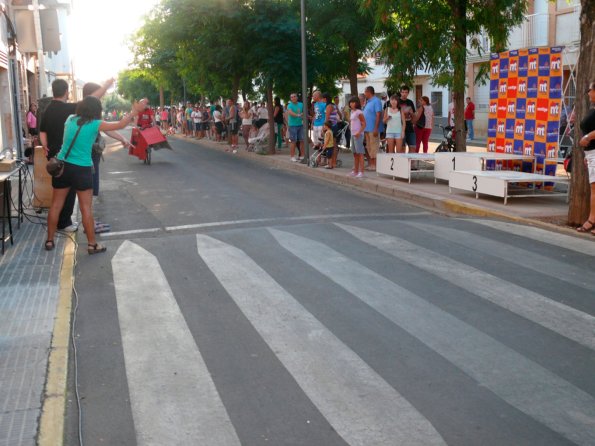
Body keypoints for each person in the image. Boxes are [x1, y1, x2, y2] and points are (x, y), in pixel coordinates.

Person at [45, 96, 146, 254]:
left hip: (62, 167)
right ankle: (92, 245)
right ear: (96, 110)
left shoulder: (70, 119)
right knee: (86, 208)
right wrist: (135, 111)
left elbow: (111, 129)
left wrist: (122, 138)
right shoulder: (95, 124)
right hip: (82, 170)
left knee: (56, 205)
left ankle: (49, 241)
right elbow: (121, 124)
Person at [39, 78, 113, 232]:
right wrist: (106, 84)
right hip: (68, 157)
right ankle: (65, 222)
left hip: (54, 158)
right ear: (66, 92)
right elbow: (91, 100)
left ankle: (52, 234)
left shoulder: (46, 109)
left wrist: (45, 146)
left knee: (57, 198)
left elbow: (42, 131)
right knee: (70, 193)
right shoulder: (69, 110)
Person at [577, 81, 595, 234]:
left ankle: (592, 220)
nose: (588, 93)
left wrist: (588, 137)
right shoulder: (592, 109)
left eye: (590, 90)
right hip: (591, 153)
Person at [363, 86, 382, 170]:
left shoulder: (376, 101)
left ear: (369, 92)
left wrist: (376, 128)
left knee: (374, 146)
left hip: (373, 128)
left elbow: (378, 115)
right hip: (367, 128)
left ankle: (375, 165)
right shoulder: (368, 102)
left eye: (365, 92)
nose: (364, 94)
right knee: (369, 147)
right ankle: (371, 164)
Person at [348, 96, 366, 178]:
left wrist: (359, 132)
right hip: (353, 134)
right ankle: (355, 171)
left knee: (360, 153)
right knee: (355, 153)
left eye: (353, 102)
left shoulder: (359, 112)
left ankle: (361, 171)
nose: (352, 104)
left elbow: (364, 124)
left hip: (358, 135)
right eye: (351, 102)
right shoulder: (352, 111)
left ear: (357, 103)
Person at [398, 85, 416, 153]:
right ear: (400, 92)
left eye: (406, 92)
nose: (404, 94)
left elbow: (413, 116)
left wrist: (412, 113)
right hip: (400, 128)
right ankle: (403, 163)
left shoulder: (410, 102)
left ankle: (411, 163)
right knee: (402, 148)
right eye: (403, 92)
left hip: (410, 127)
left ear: (408, 93)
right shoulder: (397, 101)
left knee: (413, 147)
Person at [287, 93, 304, 162]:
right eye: (291, 97)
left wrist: (301, 114)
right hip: (292, 125)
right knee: (293, 141)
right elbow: (291, 113)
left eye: (294, 96)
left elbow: (304, 111)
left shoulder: (301, 104)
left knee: (302, 140)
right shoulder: (289, 105)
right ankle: (292, 156)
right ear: (290, 99)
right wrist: (298, 115)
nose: (293, 98)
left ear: (297, 97)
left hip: (300, 124)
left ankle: (302, 155)